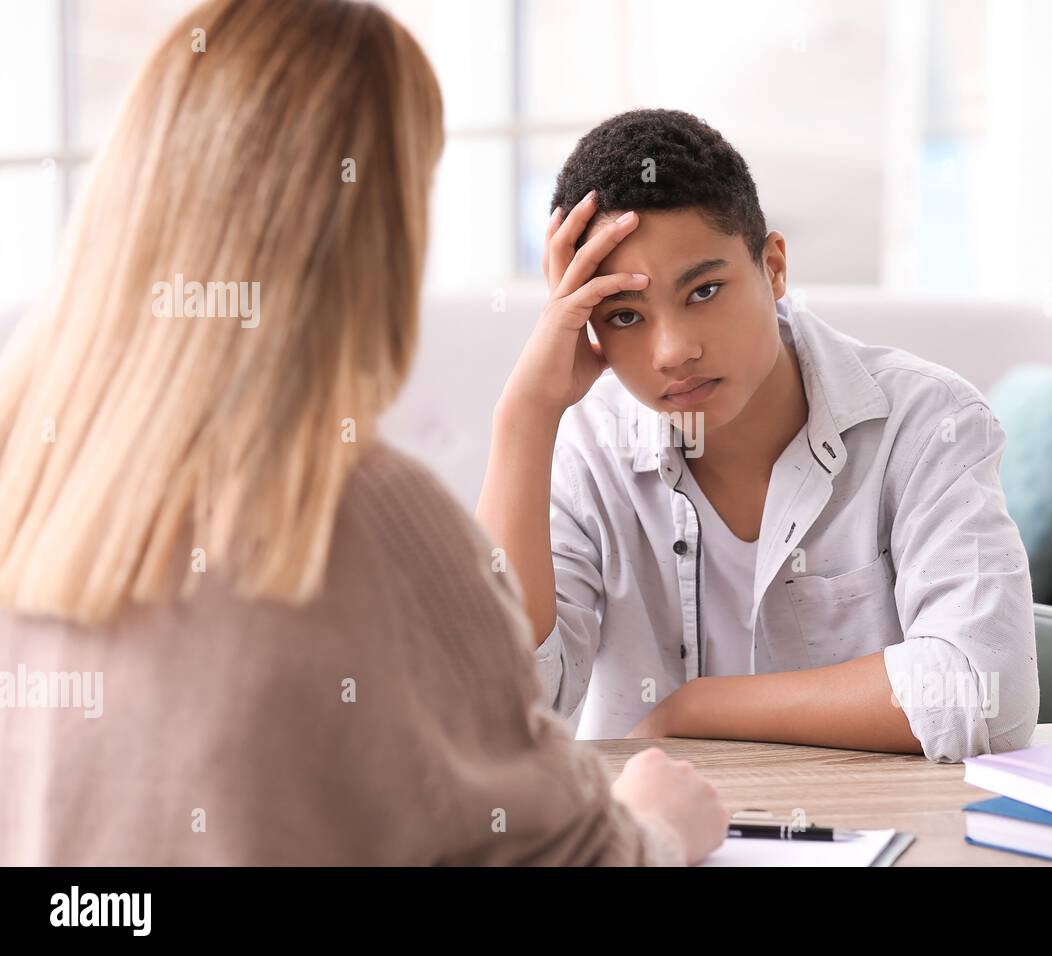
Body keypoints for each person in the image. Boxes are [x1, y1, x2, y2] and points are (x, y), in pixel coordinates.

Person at [0, 0, 726, 866]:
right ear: (380, 229)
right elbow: (562, 849)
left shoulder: (29, 470)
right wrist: (656, 826)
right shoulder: (355, 515)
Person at [477, 109, 1040, 763]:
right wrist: (524, 415)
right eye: (624, 315)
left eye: (704, 290)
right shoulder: (586, 448)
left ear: (774, 267)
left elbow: (987, 693)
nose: (673, 351)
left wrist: (695, 709)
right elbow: (495, 710)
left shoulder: (925, 421)